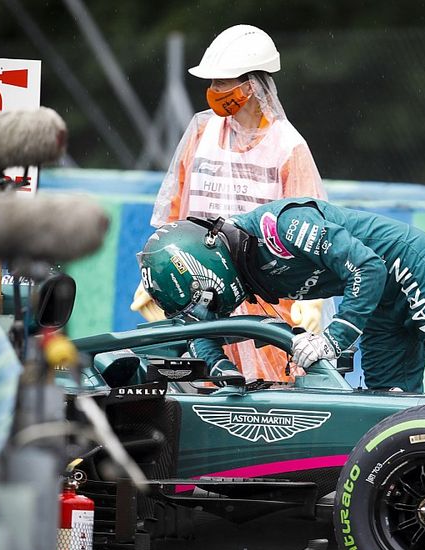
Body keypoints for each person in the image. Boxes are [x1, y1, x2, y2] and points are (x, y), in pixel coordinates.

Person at [137, 198, 425, 396]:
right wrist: (226, 376)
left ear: (207, 266)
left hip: (412, 266)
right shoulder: (238, 263)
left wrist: (333, 339)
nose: (206, 308)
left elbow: (368, 268)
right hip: (377, 304)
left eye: (202, 298)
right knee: (391, 406)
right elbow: (204, 333)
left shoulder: (280, 226)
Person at [131, 24, 329, 381]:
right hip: (198, 287)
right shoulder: (201, 134)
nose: (213, 91)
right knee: (198, 383)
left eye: (222, 83)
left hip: (266, 296)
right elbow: (176, 211)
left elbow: (313, 228)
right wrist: (153, 274)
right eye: (212, 83)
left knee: (270, 393)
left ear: (251, 85)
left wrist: (310, 298)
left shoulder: (287, 147)